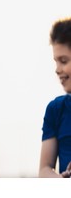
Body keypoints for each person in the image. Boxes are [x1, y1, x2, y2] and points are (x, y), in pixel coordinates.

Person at [39, 17, 71, 178]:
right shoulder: (56, 109)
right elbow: (44, 170)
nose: (57, 70)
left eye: (63, 61)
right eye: (56, 61)